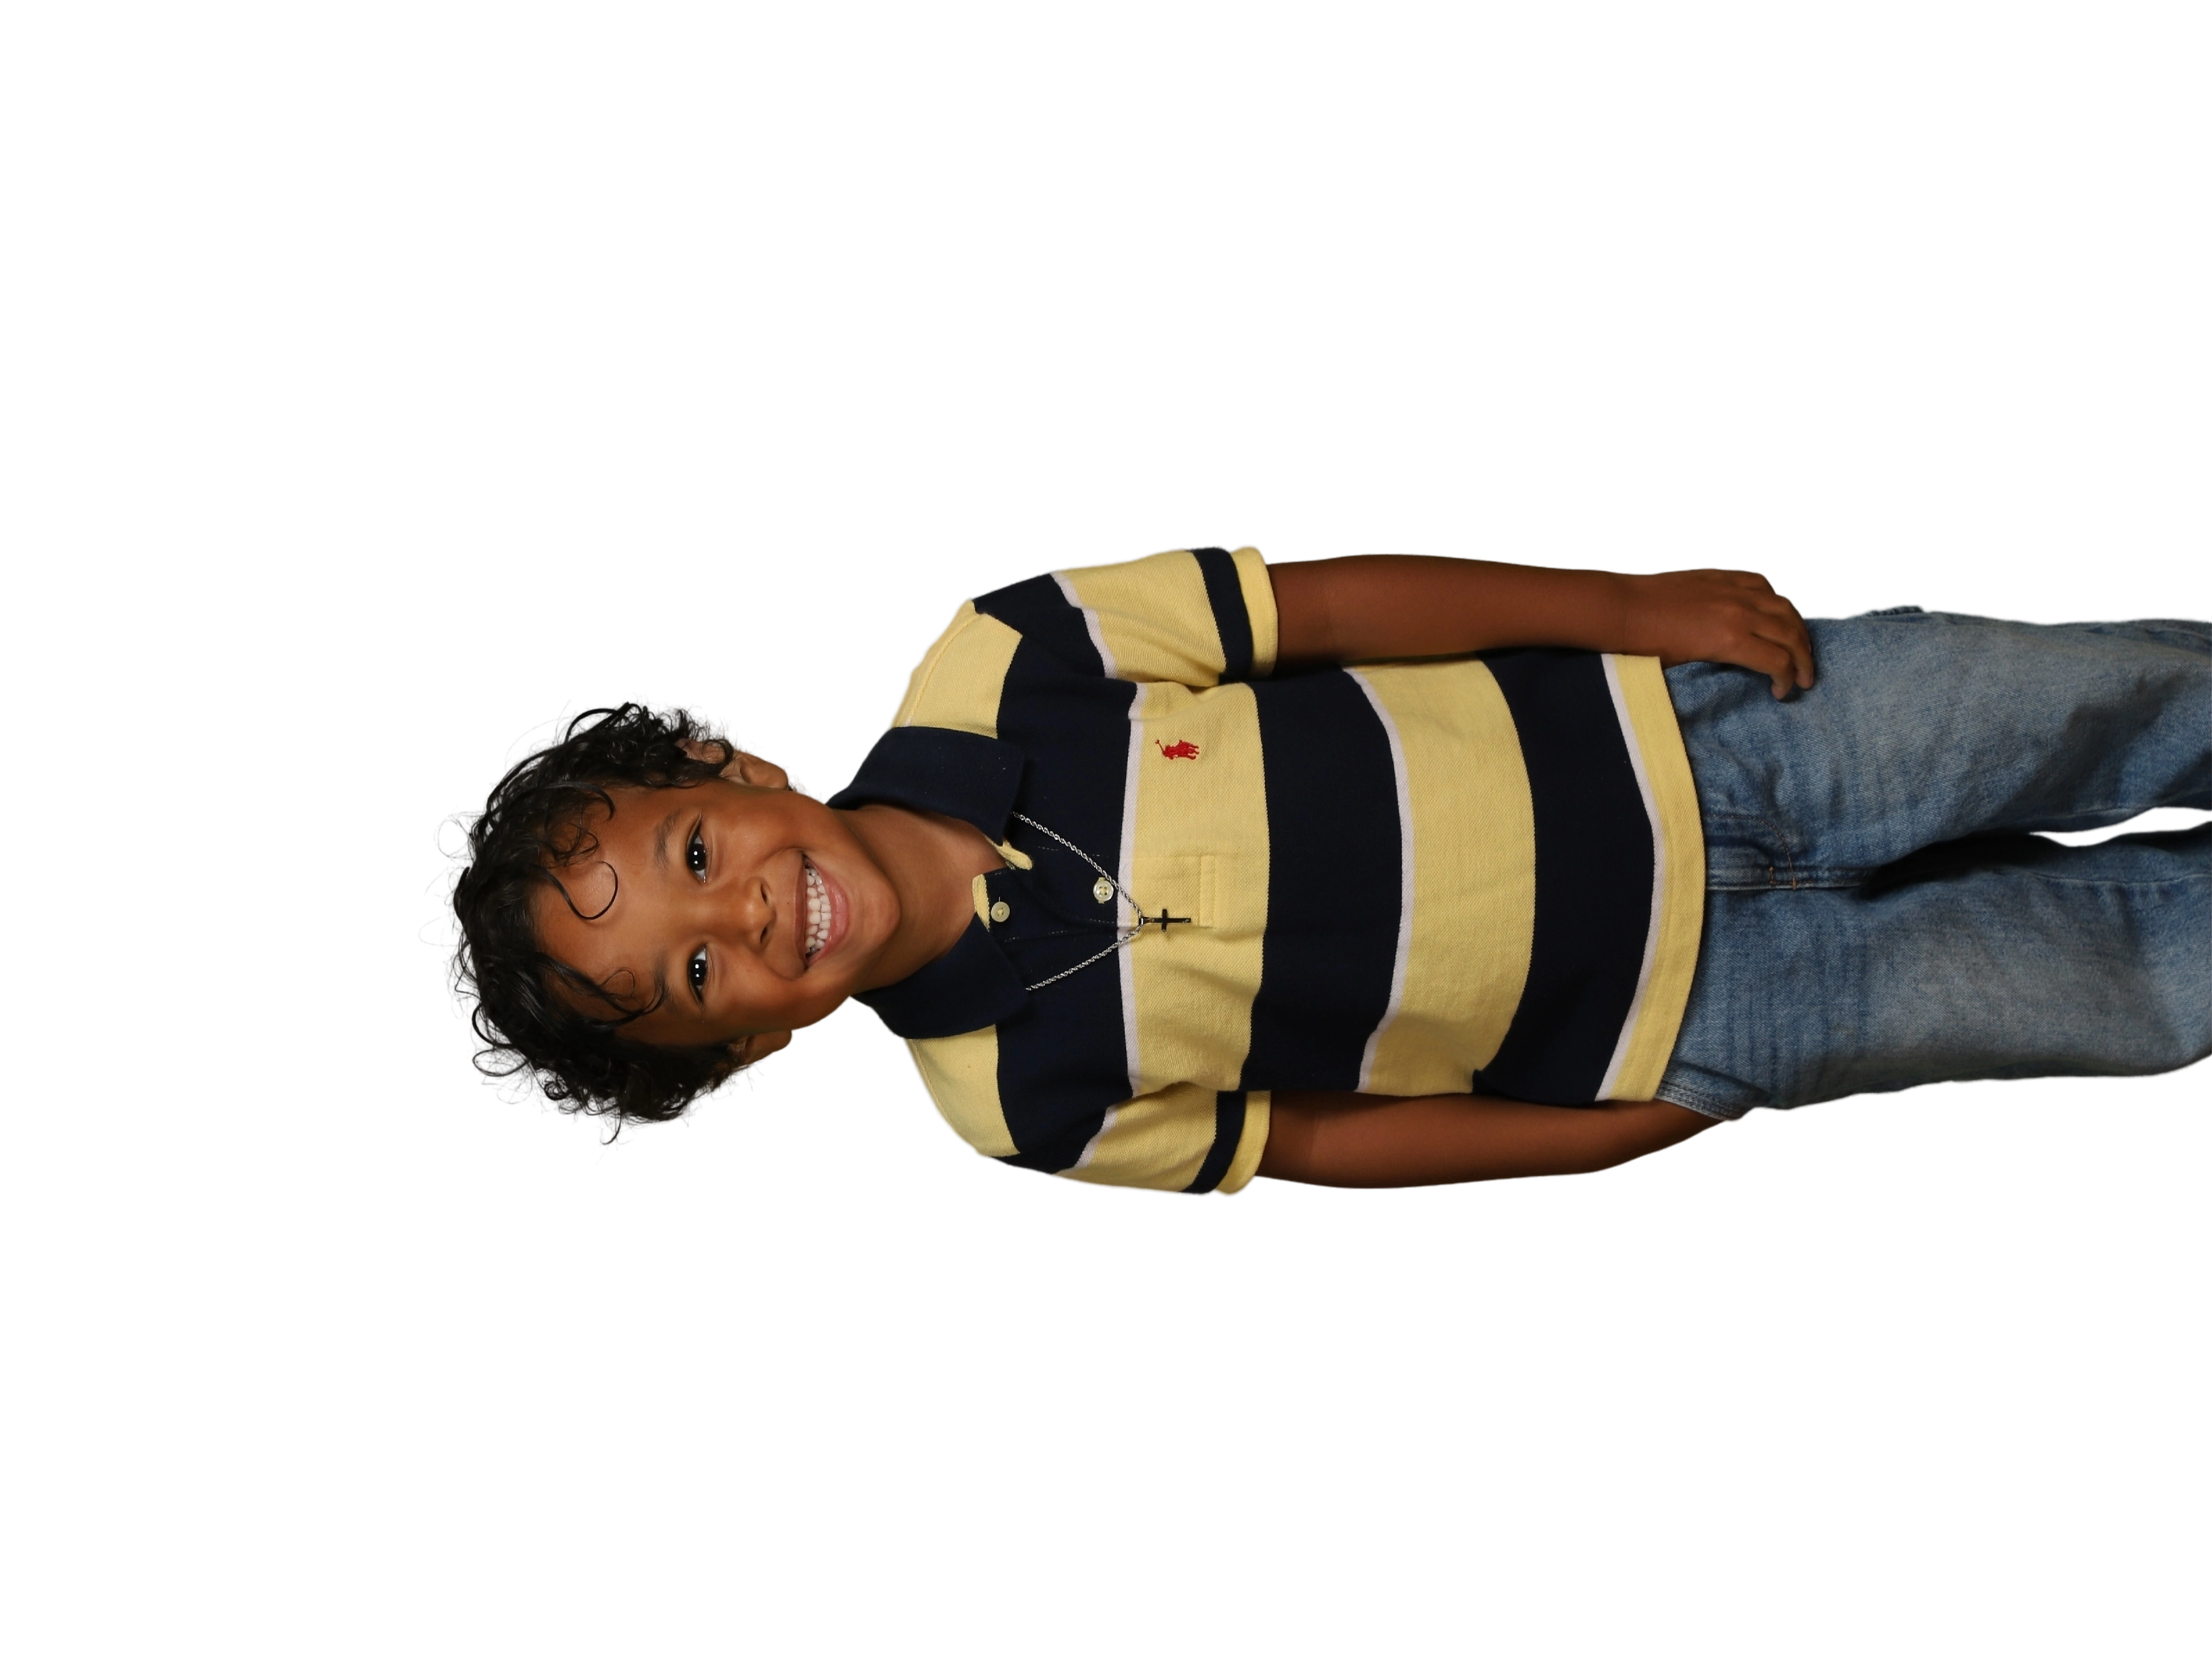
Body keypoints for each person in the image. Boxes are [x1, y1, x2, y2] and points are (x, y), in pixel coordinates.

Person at [418, 544, 2212, 1196]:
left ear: (725, 763)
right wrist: (1599, 1134)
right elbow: (1321, 1144)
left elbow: (1330, 606)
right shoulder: (1016, 1103)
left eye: (696, 855)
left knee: (2100, 704)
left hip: (1710, 736)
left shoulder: (1004, 659)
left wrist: (1630, 606)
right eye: (697, 977)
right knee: (2109, 989)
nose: (741, 916)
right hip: (1704, 1014)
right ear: (742, 1049)